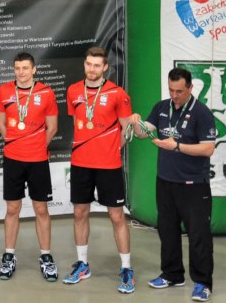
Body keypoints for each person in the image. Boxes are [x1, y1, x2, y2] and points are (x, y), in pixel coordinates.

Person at [128, 67, 216, 302]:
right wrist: (135, 122)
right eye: (171, 90)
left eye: (179, 91)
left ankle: (203, 283)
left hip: (194, 185)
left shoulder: (201, 112)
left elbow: (208, 148)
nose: (174, 95)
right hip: (165, 182)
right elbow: (143, 133)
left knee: (198, 236)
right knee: (167, 231)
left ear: (190, 88)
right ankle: (172, 274)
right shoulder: (161, 107)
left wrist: (176, 146)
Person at [63, 46, 135, 293]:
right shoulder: (73, 90)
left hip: (108, 165)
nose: (91, 69)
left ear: (105, 67)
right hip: (81, 164)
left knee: (116, 216)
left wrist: (111, 148)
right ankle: (82, 264)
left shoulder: (117, 93)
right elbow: (78, 123)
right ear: (84, 64)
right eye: (88, 64)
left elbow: (126, 129)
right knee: (79, 213)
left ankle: (126, 268)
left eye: (97, 65)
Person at [0, 52, 59, 281]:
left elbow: (52, 127)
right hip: (13, 159)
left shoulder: (46, 92)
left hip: (38, 160)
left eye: (25, 68)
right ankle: (9, 256)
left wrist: (37, 146)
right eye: (17, 68)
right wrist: (14, 142)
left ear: (34, 70)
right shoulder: (4, 91)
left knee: (41, 209)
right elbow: (0, 121)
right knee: (13, 208)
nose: (21, 72)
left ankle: (46, 256)